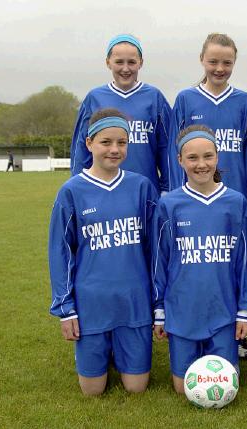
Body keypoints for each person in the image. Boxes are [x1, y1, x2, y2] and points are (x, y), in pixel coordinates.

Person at [48, 108, 159, 395]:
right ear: (89, 143)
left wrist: (158, 302)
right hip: (91, 304)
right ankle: (101, 352)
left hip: (134, 301)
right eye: (106, 142)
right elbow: (60, 252)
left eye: (122, 142)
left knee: (136, 388)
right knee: (92, 392)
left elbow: (156, 250)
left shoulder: (141, 187)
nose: (114, 149)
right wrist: (66, 309)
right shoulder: (72, 191)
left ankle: (122, 352)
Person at [153, 125, 247, 394]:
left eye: (208, 156)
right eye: (193, 158)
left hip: (223, 312)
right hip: (182, 311)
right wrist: (160, 311)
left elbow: (244, 262)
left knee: (226, 385)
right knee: (182, 388)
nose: (201, 164)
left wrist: (244, 311)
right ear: (180, 161)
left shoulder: (235, 202)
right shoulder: (170, 204)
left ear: (217, 157)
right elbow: (160, 261)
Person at [169, 33, 247, 209]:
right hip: (193, 200)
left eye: (227, 63)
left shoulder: (245, 102)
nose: (220, 68)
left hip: (235, 200)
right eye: (213, 62)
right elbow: (174, 155)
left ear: (234, 62)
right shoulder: (186, 99)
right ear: (202, 59)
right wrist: (178, 199)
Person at [70, 34, 172, 193]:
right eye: (119, 62)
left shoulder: (154, 98)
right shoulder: (94, 98)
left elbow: (167, 148)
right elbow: (81, 147)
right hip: (102, 192)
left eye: (131, 62)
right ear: (108, 62)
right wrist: (79, 187)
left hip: (146, 193)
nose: (125, 68)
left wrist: (168, 188)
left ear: (141, 63)